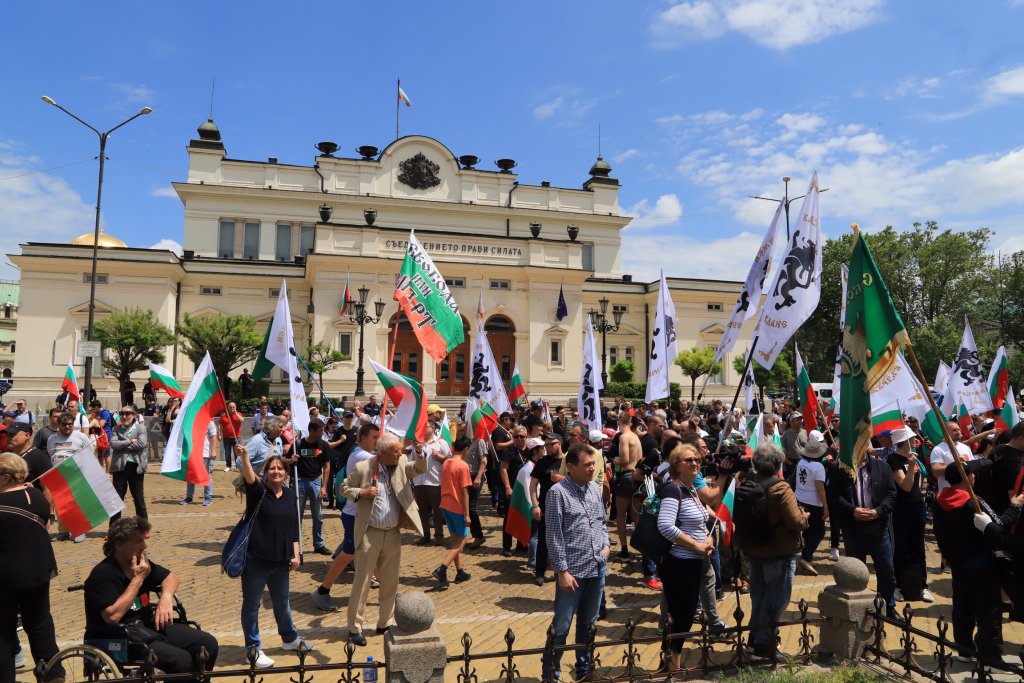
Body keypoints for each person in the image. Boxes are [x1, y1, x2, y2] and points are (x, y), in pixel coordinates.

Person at [84, 516, 218, 678]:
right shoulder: (103, 574)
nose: (144, 546)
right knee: (182, 661)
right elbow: (112, 616)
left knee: (209, 644)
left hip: (147, 627)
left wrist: (166, 598)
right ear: (119, 545)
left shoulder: (141, 563)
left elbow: (171, 577)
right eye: (138, 542)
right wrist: (138, 579)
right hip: (121, 637)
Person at [341, 432, 428, 646]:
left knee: (390, 581)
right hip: (370, 533)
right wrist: (360, 492)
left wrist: (419, 452)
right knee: (362, 582)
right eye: (395, 451)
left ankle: (385, 622)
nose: (400, 453)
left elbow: (419, 469)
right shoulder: (364, 468)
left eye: (400, 450)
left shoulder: (402, 463)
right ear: (381, 452)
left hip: (393, 533)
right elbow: (343, 488)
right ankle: (354, 627)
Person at [236, 436, 308, 668]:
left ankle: (289, 638)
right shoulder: (258, 492)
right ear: (266, 473)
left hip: (281, 562)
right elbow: (249, 477)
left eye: (280, 468)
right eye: (271, 469)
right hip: (256, 561)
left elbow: (293, 529)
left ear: (286, 472)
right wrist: (245, 458)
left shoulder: (291, 496)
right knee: (252, 604)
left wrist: (296, 554)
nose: (276, 472)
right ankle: (253, 648)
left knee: (282, 602)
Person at [541, 443, 609, 681]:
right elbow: (553, 535)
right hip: (572, 572)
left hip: (596, 567)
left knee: (589, 624)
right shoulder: (557, 493)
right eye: (587, 465)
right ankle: (551, 672)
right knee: (562, 625)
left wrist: (607, 545)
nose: (592, 469)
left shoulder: (593, 489)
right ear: (570, 466)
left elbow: (602, 521)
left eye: (593, 464)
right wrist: (562, 571)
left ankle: (584, 669)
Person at [734, 443, 809, 658]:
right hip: (779, 551)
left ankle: (753, 640)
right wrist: (805, 518)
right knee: (776, 599)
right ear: (778, 464)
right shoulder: (780, 487)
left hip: (754, 549)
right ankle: (764, 647)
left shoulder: (747, 483)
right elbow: (795, 521)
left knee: (759, 597)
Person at [933, 460, 1006, 665]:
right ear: (968, 478)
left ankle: (963, 648)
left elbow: (939, 532)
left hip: (957, 562)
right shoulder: (974, 502)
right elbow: (997, 527)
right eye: (971, 474)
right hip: (982, 563)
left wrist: (946, 554)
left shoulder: (939, 501)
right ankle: (990, 653)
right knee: (988, 609)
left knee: (962, 605)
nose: (974, 476)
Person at [0, 454, 62, 683]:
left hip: (6, 578)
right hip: (38, 571)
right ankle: (54, 674)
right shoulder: (36, 496)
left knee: (3, 631)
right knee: (40, 624)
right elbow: (43, 524)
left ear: (6, 478)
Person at [656, 443, 715, 670]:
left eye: (697, 460)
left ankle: (669, 659)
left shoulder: (691, 489)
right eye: (688, 460)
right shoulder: (674, 489)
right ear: (676, 465)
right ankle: (673, 665)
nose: (694, 463)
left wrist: (708, 541)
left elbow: (702, 521)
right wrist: (695, 545)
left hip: (693, 561)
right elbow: (665, 526)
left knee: (683, 613)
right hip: (678, 562)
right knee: (684, 615)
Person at [311, 424, 380, 611]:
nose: (377, 441)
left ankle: (388, 591)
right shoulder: (361, 455)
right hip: (354, 514)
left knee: (372, 552)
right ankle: (322, 591)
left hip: (360, 514)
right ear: (363, 437)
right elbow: (384, 460)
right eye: (374, 437)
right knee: (348, 554)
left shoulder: (361, 452)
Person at [828, 446, 900, 619]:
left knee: (886, 570)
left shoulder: (882, 467)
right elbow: (834, 496)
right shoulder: (840, 468)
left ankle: (887, 606)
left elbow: (891, 494)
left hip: (877, 527)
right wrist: (852, 510)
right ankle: (857, 607)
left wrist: (878, 511)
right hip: (853, 528)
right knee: (855, 572)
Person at [887, 425, 933, 603]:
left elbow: (919, 481)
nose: (916, 440)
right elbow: (905, 486)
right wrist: (912, 465)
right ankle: (897, 585)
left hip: (917, 506)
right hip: (902, 508)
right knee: (900, 547)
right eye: (912, 437)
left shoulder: (914, 456)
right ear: (904, 440)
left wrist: (914, 465)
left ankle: (922, 585)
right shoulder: (894, 460)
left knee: (918, 547)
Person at [431, 436, 474, 587]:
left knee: (455, 540)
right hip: (457, 507)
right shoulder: (462, 466)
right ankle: (442, 568)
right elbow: (465, 492)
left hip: (446, 505)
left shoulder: (446, 462)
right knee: (461, 542)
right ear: (465, 449)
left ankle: (460, 571)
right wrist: (467, 514)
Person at [47, 412, 94, 542]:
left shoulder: (81, 437)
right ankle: (63, 531)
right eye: (64, 424)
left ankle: (79, 531)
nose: (67, 427)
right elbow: (51, 452)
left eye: (70, 424)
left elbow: (89, 454)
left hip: (76, 476)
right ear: (59, 425)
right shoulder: (51, 439)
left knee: (76, 505)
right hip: (58, 477)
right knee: (61, 505)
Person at [290, 420, 332, 555]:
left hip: (316, 482)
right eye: (320, 430)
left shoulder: (324, 445)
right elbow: (285, 460)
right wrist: (291, 459)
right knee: (297, 516)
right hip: (299, 481)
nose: (322, 433)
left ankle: (318, 544)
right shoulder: (298, 444)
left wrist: (324, 486)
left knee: (318, 516)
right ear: (312, 431)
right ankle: (295, 545)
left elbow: (327, 466)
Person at [530, 433, 565, 585]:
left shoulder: (568, 461)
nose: (547, 448)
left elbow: (579, 481)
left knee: (564, 540)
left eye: (551, 445)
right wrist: (535, 505)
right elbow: (532, 486)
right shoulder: (543, 462)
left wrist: (562, 479)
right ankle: (539, 572)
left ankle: (562, 571)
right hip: (545, 506)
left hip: (565, 508)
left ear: (559, 444)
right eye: (546, 445)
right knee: (543, 539)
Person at [793, 430, 829, 576]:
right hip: (814, 503)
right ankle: (806, 558)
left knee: (808, 530)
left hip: (800, 498)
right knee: (819, 531)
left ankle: (807, 557)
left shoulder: (801, 462)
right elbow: (820, 489)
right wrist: (826, 507)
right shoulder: (818, 467)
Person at [413, 405, 450, 546]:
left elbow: (449, 461)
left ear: (433, 428)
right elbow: (410, 459)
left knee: (437, 511)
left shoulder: (441, 443)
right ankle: (425, 535)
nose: (424, 429)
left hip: (435, 482)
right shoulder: (418, 444)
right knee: (422, 511)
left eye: (426, 426)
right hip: (419, 481)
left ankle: (439, 535)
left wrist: (440, 456)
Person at [109, 405, 149, 522]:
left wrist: (122, 446)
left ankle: (143, 527)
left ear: (135, 415)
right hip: (120, 467)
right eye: (122, 414)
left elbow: (141, 444)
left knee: (138, 498)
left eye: (128, 413)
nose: (124, 416)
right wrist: (130, 441)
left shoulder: (141, 428)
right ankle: (114, 528)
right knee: (117, 499)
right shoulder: (116, 429)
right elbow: (113, 444)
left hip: (136, 466)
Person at [612, 411, 642, 559]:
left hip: (626, 476)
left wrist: (613, 461)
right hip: (637, 476)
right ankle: (644, 550)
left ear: (619, 422)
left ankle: (624, 550)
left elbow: (624, 459)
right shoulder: (636, 437)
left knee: (620, 515)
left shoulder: (624, 437)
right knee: (636, 515)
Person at [500, 425, 530, 556]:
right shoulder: (509, 450)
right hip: (512, 488)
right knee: (509, 517)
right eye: (516, 436)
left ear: (526, 437)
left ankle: (522, 544)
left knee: (523, 515)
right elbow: (503, 469)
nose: (519, 439)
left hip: (526, 489)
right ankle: (506, 546)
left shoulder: (530, 450)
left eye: (521, 436)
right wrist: (507, 487)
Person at [180, 420, 217, 506]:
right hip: (192, 453)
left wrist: (213, 451)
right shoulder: (191, 421)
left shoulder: (209, 422)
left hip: (205, 453)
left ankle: (208, 497)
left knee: (206, 474)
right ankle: (189, 497)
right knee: (191, 474)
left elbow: (213, 437)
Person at [5, 422, 51, 487]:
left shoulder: (39, 457)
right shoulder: (7, 457)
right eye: (7, 434)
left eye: (12, 434)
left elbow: (48, 488)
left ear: (27, 435)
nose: (8, 437)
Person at [930, 421, 973, 490]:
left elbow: (972, 466)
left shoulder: (965, 447)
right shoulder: (938, 449)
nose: (958, 432)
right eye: (954, 430)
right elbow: (936, 471)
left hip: (967, 493)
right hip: (949, 494)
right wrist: (957, 463)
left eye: (959, 429)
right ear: (945, 432)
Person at [219, 402, 244, 473]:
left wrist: (235, 413)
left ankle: (238, 466)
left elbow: (242, 420)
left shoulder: (238, 414)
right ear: (228, 407)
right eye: (230, 407)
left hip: (237, 438)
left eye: (233, 407)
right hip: (226, 437)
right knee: (227, 453)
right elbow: (220, 425)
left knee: (237, 452)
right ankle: (228, 466)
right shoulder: (224, 415)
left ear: (235, 407)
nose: (232, 408)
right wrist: (219, 434)